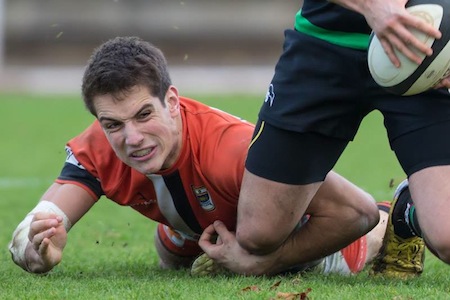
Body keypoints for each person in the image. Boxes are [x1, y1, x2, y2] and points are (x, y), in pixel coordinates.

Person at [9, 36, 384, 276]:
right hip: (204, 218)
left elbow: (356, 212)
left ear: (171, 102)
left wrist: (270, 261)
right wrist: (36, 251)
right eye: (113, 124)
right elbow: (36, 227)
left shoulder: (230, 149)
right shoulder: (99, 146)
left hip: (297, 221)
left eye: (144, 115)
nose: (133, 138)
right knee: (170, 255)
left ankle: (399, 215)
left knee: (333, 249)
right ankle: (190, 225)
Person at [197, 1, 450, 279]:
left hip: (425, 45)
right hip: (323, 45)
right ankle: (356, 218)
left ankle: (409, 212)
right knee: (258, 236)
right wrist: (371, 6)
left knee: (447, 239)